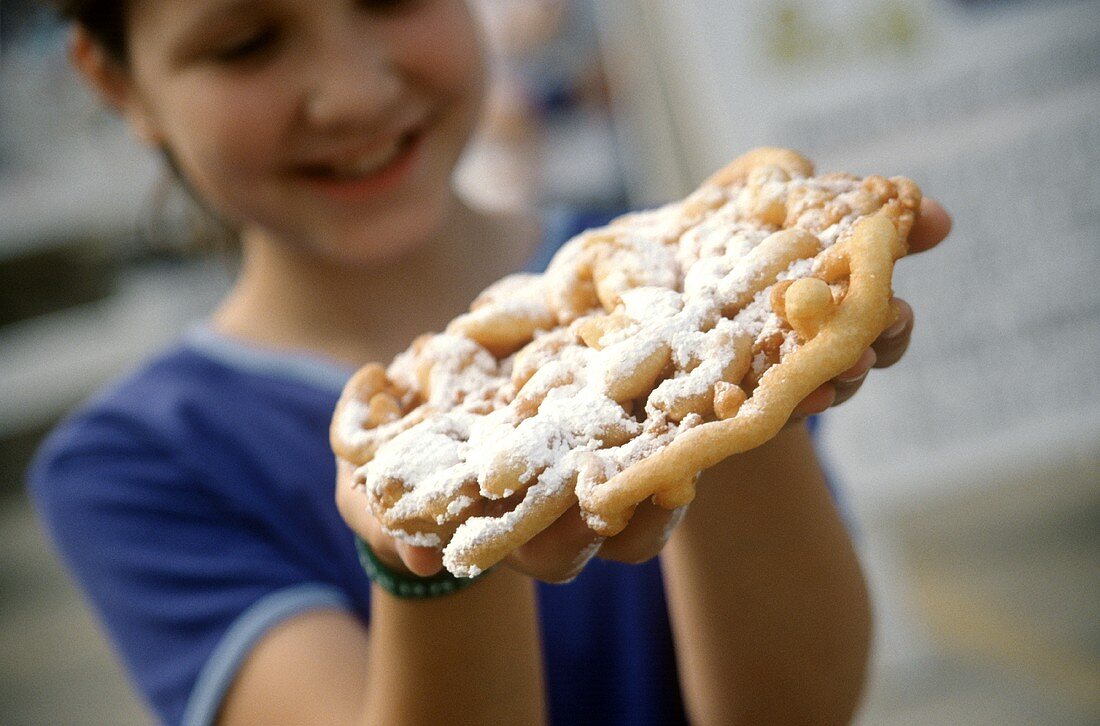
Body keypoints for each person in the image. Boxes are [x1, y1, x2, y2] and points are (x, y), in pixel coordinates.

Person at [27, 1, 952, 724]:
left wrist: (735, 401)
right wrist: (421, 559)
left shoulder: (694, 294)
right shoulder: (135, 464)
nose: (351, 92)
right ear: (119, 84)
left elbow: (790, 712)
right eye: (246, 42)